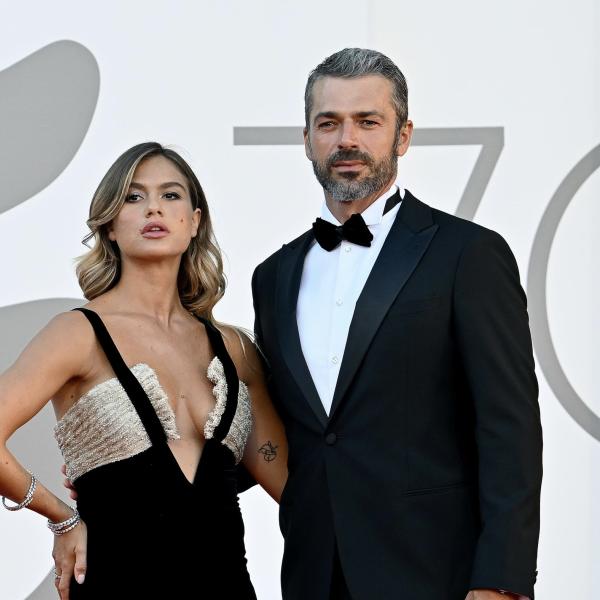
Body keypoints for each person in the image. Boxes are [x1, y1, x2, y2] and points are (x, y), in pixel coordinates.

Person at [251, 48, 542, 600]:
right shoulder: (274, 276)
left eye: (368, 121)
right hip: (314, 573)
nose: (347, 141)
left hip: (435, 573)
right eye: (329, 123)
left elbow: (510, 431)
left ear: (403, 136)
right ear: (306, 139)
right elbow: (290, 433)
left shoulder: (468, 255)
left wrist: (501, 581)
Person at [0, 142, 287, 599]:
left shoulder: (234, 350)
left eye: (171, 195)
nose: (153, 206)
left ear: (195, 221)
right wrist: (62, 516)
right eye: (133, 197)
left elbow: (291, 487)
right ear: (110, 224)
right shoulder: (78, 333)